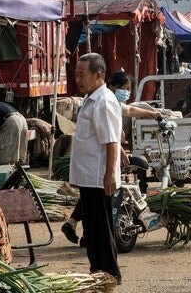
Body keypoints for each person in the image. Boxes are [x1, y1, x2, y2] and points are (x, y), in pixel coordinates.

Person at [62, 71, 163, 245]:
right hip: (99, 162)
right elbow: (108, 137)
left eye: (129, 89)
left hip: (96, 162)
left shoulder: (110, 102)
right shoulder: (105, 102)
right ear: (112, 86)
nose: (127, 92)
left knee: (92, 198)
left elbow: (130, 110)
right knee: (96, 198)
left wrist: (153, 114)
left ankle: (79, 229)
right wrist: (119, 153)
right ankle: (86, 233)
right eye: (124, 88)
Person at [70, 52, 123, 280]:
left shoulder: (103, 101)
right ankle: (98, 271)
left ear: (98, 75)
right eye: (76, 75)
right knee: (92, 230)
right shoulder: (91, 99)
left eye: (82, 75)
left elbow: (111, 140)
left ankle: (109, 273)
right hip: (88, 177)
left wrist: (110, 174)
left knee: (100, 229)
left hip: (98, 177)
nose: (78, 80)